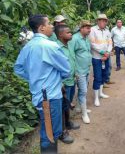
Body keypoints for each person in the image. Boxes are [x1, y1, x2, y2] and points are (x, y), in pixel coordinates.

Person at [14, 14, 70, 153]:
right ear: (41, 28)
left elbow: (18, 68)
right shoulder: (49, 46)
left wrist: (34, 78)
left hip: (39, 95)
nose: (52, 26)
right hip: (50, 97)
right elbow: (66, 70)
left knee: (47, 128)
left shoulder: (28, 46)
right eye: (49, 23)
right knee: (50, 134)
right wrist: (56, 79)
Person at [55, 25, 80, 144]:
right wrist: (60, 84)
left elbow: (72, 60)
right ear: (60, 35)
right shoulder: (56, 48)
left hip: (71, 80)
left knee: (67, 104)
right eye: (68, 32)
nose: (71, 34)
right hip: (63, 83)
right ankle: (62, 132)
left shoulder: (69, 45)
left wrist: (75, 74)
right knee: (61, 107)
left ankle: (68, 123)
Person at [68, 20, 92, 124]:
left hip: (86, 68)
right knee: (84, 91)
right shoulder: (75, 38)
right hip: (79, 70)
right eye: (87, 28)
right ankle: (84, 114)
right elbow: (71, 55)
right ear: (81, 28)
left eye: (89, 28)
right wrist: (74, 71)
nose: (89, 30)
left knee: (83, 90)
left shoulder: (86, 38)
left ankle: (79, 108)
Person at [89, 14, 111, 107]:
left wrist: (108, 53)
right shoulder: (93, 30)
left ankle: (101, 93)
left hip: (106, 57)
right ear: (97, 21)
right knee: (97, 77)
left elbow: (110, 42)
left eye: (104, 20)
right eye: (101, 20)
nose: (103, 22)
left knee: (104, 75)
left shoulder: (107, 31)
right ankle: (96, 98)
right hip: (97, 58)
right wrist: (103, 52)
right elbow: (92, 44)